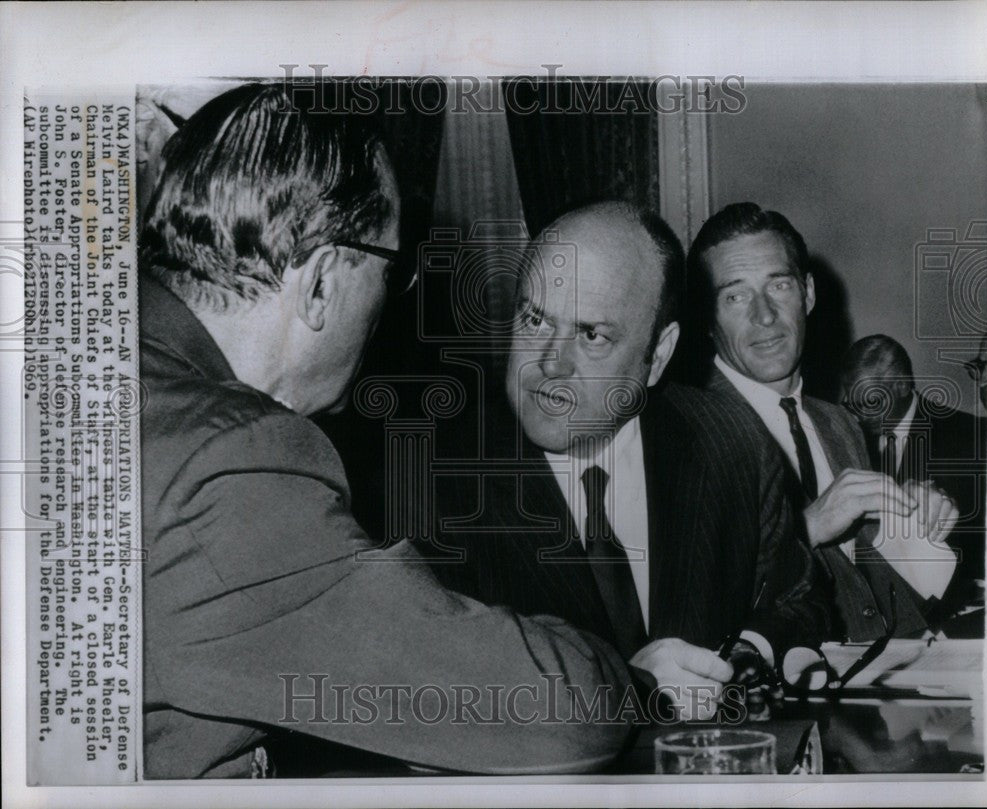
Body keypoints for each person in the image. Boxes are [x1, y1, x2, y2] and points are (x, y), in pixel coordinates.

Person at [138, 82, 635, 779]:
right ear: (318, 286)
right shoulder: (228, 463)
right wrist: (636, 682)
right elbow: (566, 712)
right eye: (390, 268)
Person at [429, 201, 830, 721]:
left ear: (657, 356)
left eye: (592, 335)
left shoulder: (732, 443)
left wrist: (745, 656)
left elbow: (797, 596)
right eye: (534, 318)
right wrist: (627, 688)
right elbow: (434, 695)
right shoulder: (432, 477)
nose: (550, 362)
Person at [687, 202, 959, 641]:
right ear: (707, 318)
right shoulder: (683, 434)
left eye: (779, 286)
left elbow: (864, 577)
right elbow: (690, 599)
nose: (764, 315)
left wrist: (910, 516)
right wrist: (808, 526)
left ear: (808, 294)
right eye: (735, 296)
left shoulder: (839, 423)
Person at [841, 334, 987, 615]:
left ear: (903, 386)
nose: (857, 415)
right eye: (851, 404)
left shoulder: (971, 436)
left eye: (869, 401)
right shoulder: (845, 439)